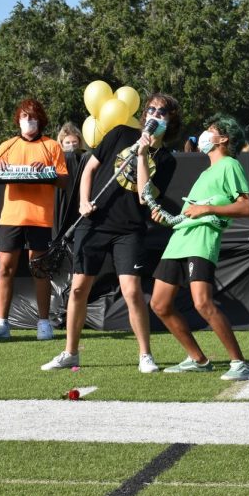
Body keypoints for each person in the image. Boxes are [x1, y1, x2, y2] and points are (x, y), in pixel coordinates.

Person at [41, 93, 180, 373]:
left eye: (162, 112)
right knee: (79, 288)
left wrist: (142, 155)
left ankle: (145, 355)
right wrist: (83, 200)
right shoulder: (120, 134)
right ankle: (71, 352)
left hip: (129, 229)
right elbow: (89, 167)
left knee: (131, 290)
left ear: (171, 120)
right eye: (151, 110)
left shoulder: (165, 160)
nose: (154, 115)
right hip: (94, 223)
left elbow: (145, 197)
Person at [148, 114, 249, 381]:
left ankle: (240, 364)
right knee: (159, 304)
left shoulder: (230, 165)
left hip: (202, 241)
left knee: (203, 303)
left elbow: (246, 206)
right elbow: (186, 215)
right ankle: (198, 359)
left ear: (224, 139)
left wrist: (207, 208)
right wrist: (164, 217)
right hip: (179, 242)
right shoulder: (206, 172)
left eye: (210, 130)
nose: (204, 135)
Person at [0, 99, 70, 341]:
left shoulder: (51, 146)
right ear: (17, 120)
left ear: (40, 119)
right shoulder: (7, 146)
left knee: (39, 269)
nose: (27, 121)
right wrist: (1, 169)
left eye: (32, 117)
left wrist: (47, 170)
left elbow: (63, 180)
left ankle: (43, 323)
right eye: (23, 117)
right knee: (5, 268)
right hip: (11, 216)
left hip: (39, 217)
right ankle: (1, 323)